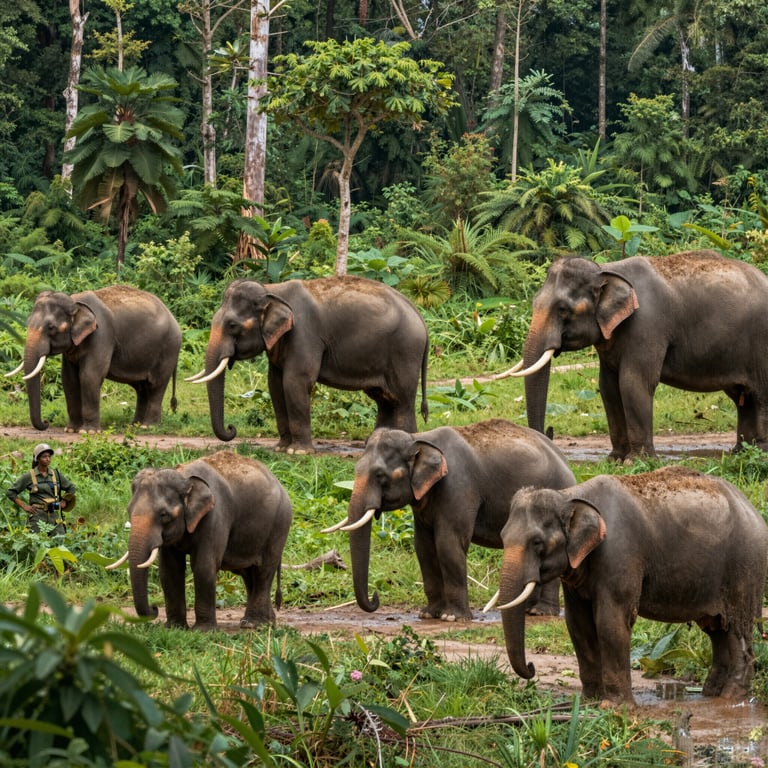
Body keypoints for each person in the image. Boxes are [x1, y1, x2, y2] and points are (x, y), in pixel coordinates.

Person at [6, 443, 76, 535]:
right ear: (37, 459)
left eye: (49, 456)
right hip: (37, 516)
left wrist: (64, 501)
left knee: (60, 542)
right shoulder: (29, 476)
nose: (48, 459)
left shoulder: (56, 474)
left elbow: (71, 487)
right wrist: (25, 506)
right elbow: (11, 492)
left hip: (54, 515)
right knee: (36, 544)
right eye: (44, 456)